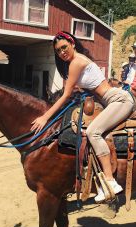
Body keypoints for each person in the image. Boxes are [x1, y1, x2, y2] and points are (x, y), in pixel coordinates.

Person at [31, 31, 135, 202]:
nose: (62, 52)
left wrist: (45, 116)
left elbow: (65, 94)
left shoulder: (76, 62)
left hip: (118, 100)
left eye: (64, 47)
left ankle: (110, 182)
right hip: (110, 100)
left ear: (72, 44)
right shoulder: (79, 60)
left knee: (93, 131)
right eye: (58, 50)